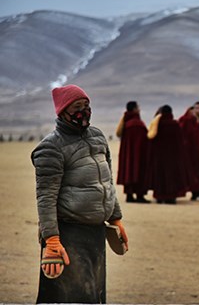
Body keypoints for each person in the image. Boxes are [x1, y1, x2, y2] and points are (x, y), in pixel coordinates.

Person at [31, 84, 128, 303]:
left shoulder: (97, 137)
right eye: (77, 106)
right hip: (69, 234)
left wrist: (115, 217)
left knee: (94, 295)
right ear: (63, 111)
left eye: (86, 105)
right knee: (71, 296)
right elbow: (46, 198)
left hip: (96, 233)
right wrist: (52, 240)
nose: (83, 111)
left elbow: (107, 181)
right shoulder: (51, 148)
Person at [147, 105, 186, 204]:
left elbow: (151, 140)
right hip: (173, 156)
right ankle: (171, 197)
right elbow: (180, 141)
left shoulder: (157, 124)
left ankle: (159, 197)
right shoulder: (175, 124)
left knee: (160, 175)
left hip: (159, 156)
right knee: (172, 176)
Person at [115, 101, 150, 203]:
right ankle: (140, 196)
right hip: (138, 154)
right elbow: (143, 141)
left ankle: (129, 195)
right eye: (138, 107)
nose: (139, 109)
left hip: (128, 155)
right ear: (134, 109)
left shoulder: (126, 123)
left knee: (129, 171)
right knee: (139, 171)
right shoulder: (137, 124)